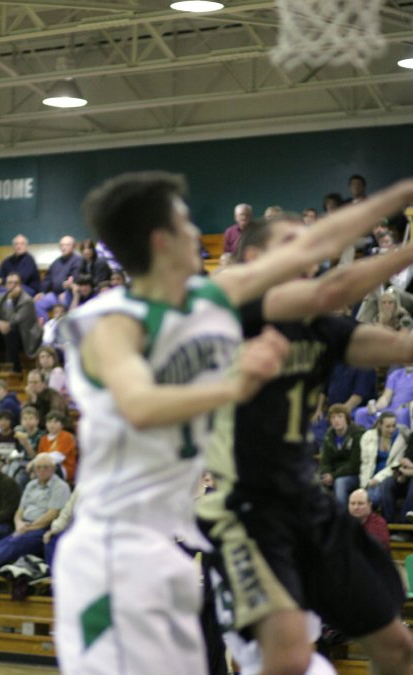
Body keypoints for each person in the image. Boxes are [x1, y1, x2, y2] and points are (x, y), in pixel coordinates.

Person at [53, 169, 389, 675]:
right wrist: (236, 384)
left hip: (171, 545)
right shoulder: (110, 322)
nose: (201, 236)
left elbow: (310, 257)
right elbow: (139, 403)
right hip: (110, 552)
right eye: (187, 224)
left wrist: (400, 197)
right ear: (161, 240)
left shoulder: (207, 301)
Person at [198, 190, 413, 675]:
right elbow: (331, 290)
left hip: (308, 505)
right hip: (247, 513)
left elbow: (401, 347)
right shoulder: (229, 298)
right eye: (296, 244)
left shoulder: (316, 324)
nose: (312, 255)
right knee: (288, 657)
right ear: (255, 259)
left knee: (398, 647)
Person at [0, 454, 70, 588]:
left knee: (12, 541)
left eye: (46, 467)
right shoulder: (31, 485)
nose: (42, 470)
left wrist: (28, 527)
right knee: (5, 541)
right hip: (23, 525)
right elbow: (19, 510)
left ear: (53, 469)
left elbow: (52, 514)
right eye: (38, 467)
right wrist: (19, 523)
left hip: (43, 528)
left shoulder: (60, 487)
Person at [0, 273, 42, 373]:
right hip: (7, 334)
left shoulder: (27, 300)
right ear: (5, 285)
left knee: (10, 330)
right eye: (10, 283)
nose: (13, 285)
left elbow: (13, 321)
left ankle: (16, 367)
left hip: (25, 336)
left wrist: (9, 301)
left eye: (16, 283)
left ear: (20, 285)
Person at [359, 411, 410, 509]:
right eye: (388, 426)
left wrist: (377, 479)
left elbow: (396, 464)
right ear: (380, 425)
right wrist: (365, 484)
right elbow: (365, 464)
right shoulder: (368, 437)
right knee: (365, 498)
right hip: (370, 477)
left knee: (375, 498)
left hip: (389, 476)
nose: (391, 429)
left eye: (394, 426)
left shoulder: (401, 439)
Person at [319, 404, 364, 506]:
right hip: (334, 474)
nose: (336, 420)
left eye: (340, 416)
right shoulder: (329, 436)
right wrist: (326, 474)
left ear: (346, 418)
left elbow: (355, 465)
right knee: (314, 483)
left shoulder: (357, 434)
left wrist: (333, 476)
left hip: (354, 475)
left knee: (340, 483)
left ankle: (341, 519)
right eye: (333, 417)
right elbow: (325, 461)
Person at [34, 235, 83, 321]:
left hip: (69, 294)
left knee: (64, 305)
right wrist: (42, 292)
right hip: (54, 294)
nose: (64, 247)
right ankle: (47, 329)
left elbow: (75, 279)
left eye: (67, 245)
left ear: (73, 246)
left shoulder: (78, 260)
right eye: (62, 245)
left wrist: (66, 290)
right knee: (38, 304)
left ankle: (65, 331)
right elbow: (48, 279)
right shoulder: (56, 262)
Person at [34, 410, 77, 484]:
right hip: (45, 466)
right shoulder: (43, 439)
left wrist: (35, 462)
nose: (52, 425)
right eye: (49, 422)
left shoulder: (66, 436)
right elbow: (40, 455)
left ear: (62, 424)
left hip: (64, 468)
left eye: (55, 422)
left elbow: (58, 457)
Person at [380, 432, 413, 524]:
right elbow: (406, 460)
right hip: (408, 476)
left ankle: (404, 525)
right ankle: (388, 524)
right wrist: (401, 473)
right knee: (387, 483)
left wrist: (411, 467)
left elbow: (410, 464)